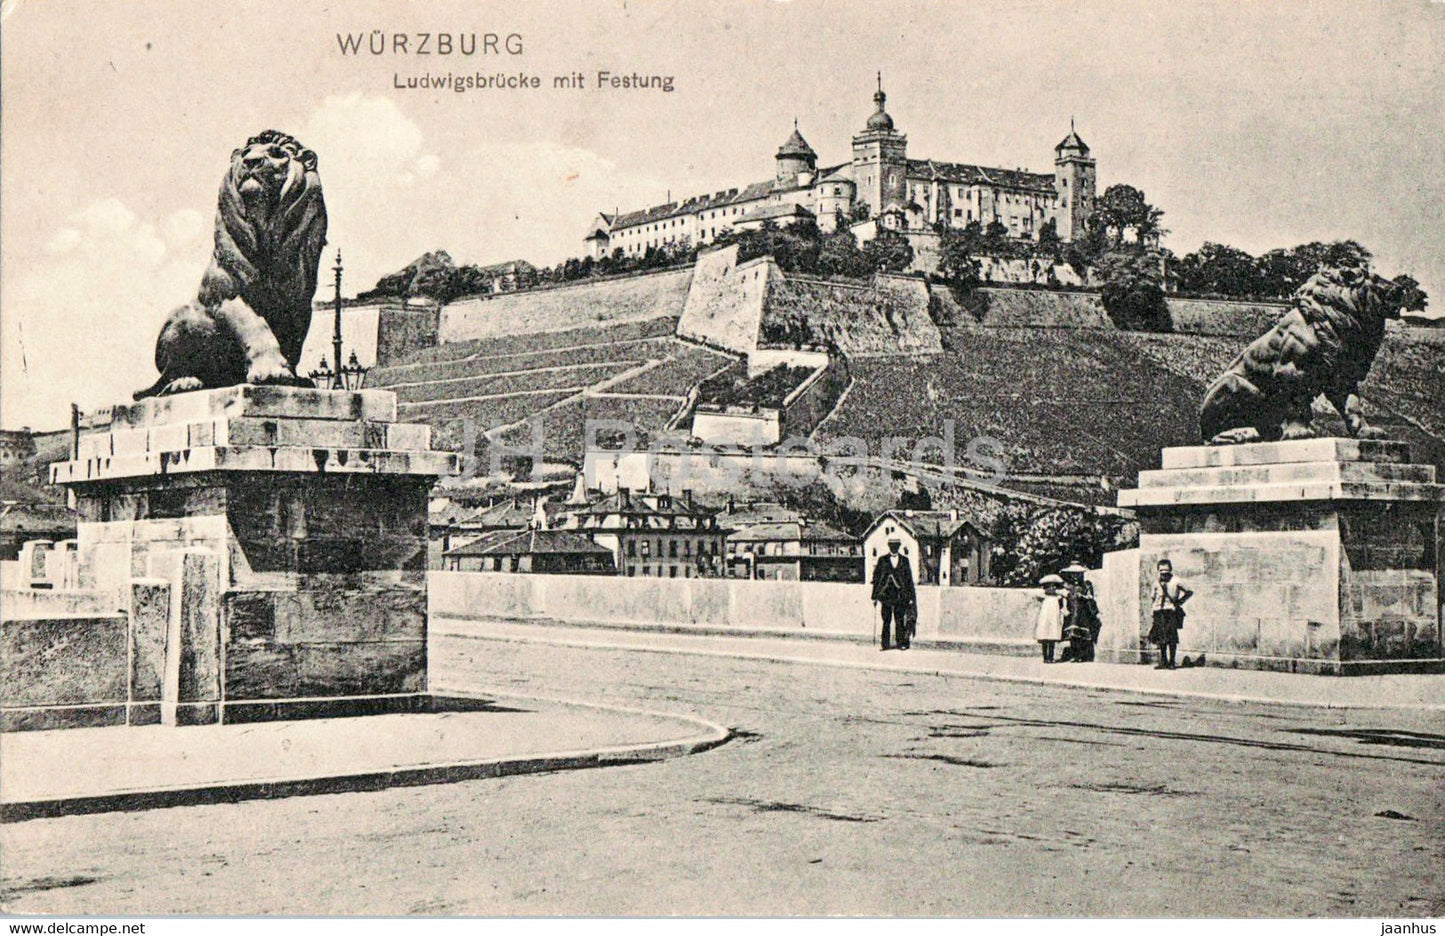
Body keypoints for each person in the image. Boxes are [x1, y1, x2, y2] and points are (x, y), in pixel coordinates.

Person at [871, 538, 917, 651]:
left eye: (896, 545)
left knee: (899, 619)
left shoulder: (904, 560)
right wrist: (874, 596)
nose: (894, 547)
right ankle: (885, 644)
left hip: (900, 595)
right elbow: (876, 579)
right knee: (886, 619)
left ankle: (900, 643)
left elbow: (909, 579)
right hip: (886, 595)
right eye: (892, 545)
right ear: (889, 546)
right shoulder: (882, 560)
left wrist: (911, 597)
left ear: (899, 546)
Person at [1147, 558, 1193, 669]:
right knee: (1160, 638)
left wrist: (1179, 602)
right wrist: (1152, 610)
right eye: (1161, 570)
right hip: (1159, 612)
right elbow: (1153, 598)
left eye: (1166, 570)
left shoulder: (1176, 581)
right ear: (1158, 570)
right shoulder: (1156, 583)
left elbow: (1189, 591)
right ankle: (1163, 661)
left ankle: (1172, 662)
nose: (1164, 573)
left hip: (1170, 611)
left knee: (1171, 638)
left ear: (1170, 569)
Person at [1061, 562, 1101, 663]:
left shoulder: (1086, 585)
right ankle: (1075, 655)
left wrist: (1082, 597)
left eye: (1077, 574)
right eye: (1073, 574)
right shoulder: (1068, 587)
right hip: (1072, 613)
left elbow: (1091, 597)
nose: (1075, 576)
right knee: (1073, 636)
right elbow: (1063, 599)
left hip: (1083, 612)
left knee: (1083, 635)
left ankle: (1083, 655)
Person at [1034, 574, 1068, 663]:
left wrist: (1057, 592)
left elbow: (1065, 594)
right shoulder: (1044, 596)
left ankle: (1051, 656)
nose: (1052, 588)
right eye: (1049, 586)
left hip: (1054, 617)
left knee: (1052, 637)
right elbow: (1038, 594)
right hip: (1045, 617)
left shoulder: (1057, 597)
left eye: (1053, 586)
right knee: (1044, 636)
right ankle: (1045, 657)